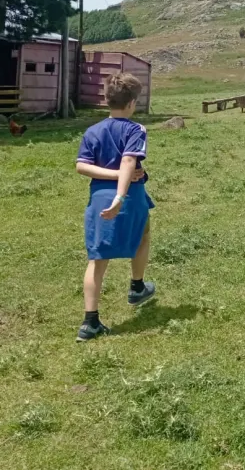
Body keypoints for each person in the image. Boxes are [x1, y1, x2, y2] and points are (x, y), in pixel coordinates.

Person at [74, 72, 157, 341]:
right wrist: (119, 197)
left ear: (107, 100)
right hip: (129, 196)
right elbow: (128, 163)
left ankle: (90, 323)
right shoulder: (135, 130)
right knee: (143, 234)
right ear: (132, 102)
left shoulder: (92, 131)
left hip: (98, 196)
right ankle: (136, 286)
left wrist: (107, 178)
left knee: (97, 258)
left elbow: (81, 166)